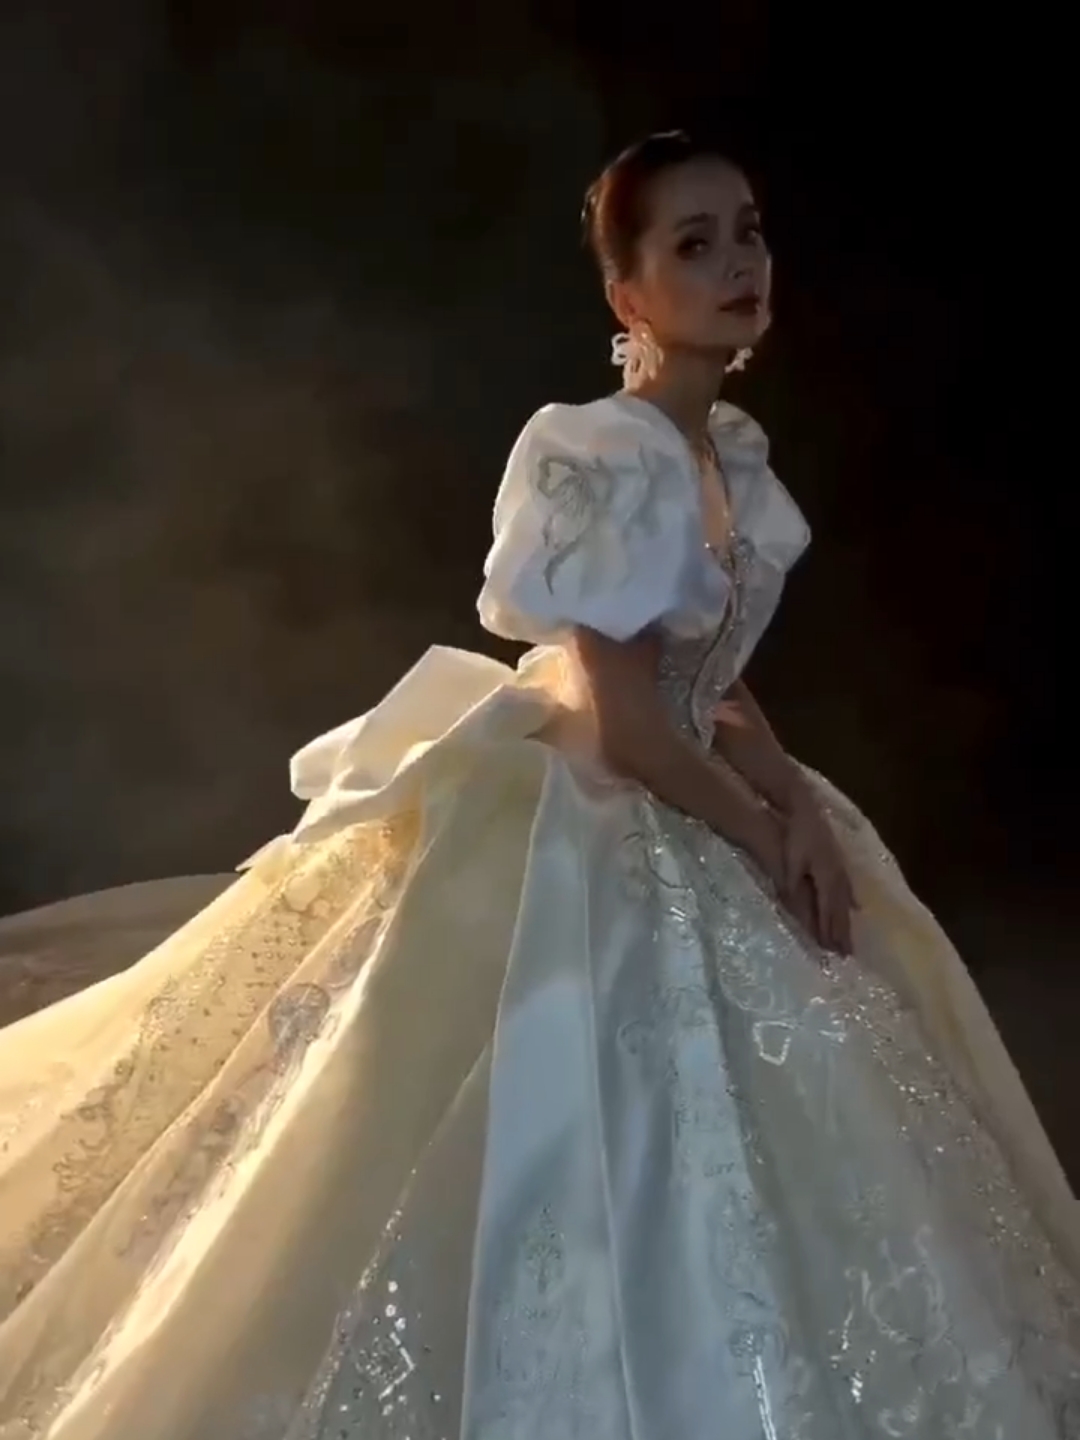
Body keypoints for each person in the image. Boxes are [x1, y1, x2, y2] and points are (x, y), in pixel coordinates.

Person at [0, 130, 1077, 1440]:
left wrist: (795, 800)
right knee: (541, 1095)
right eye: (694, 244)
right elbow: (633, 725)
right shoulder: (600, 453)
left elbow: (713, 678)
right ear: (629, 294)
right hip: (601, 796)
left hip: (687, 767)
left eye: (748, 232)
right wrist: (763, 833)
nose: (739, 264)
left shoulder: (726, 451)